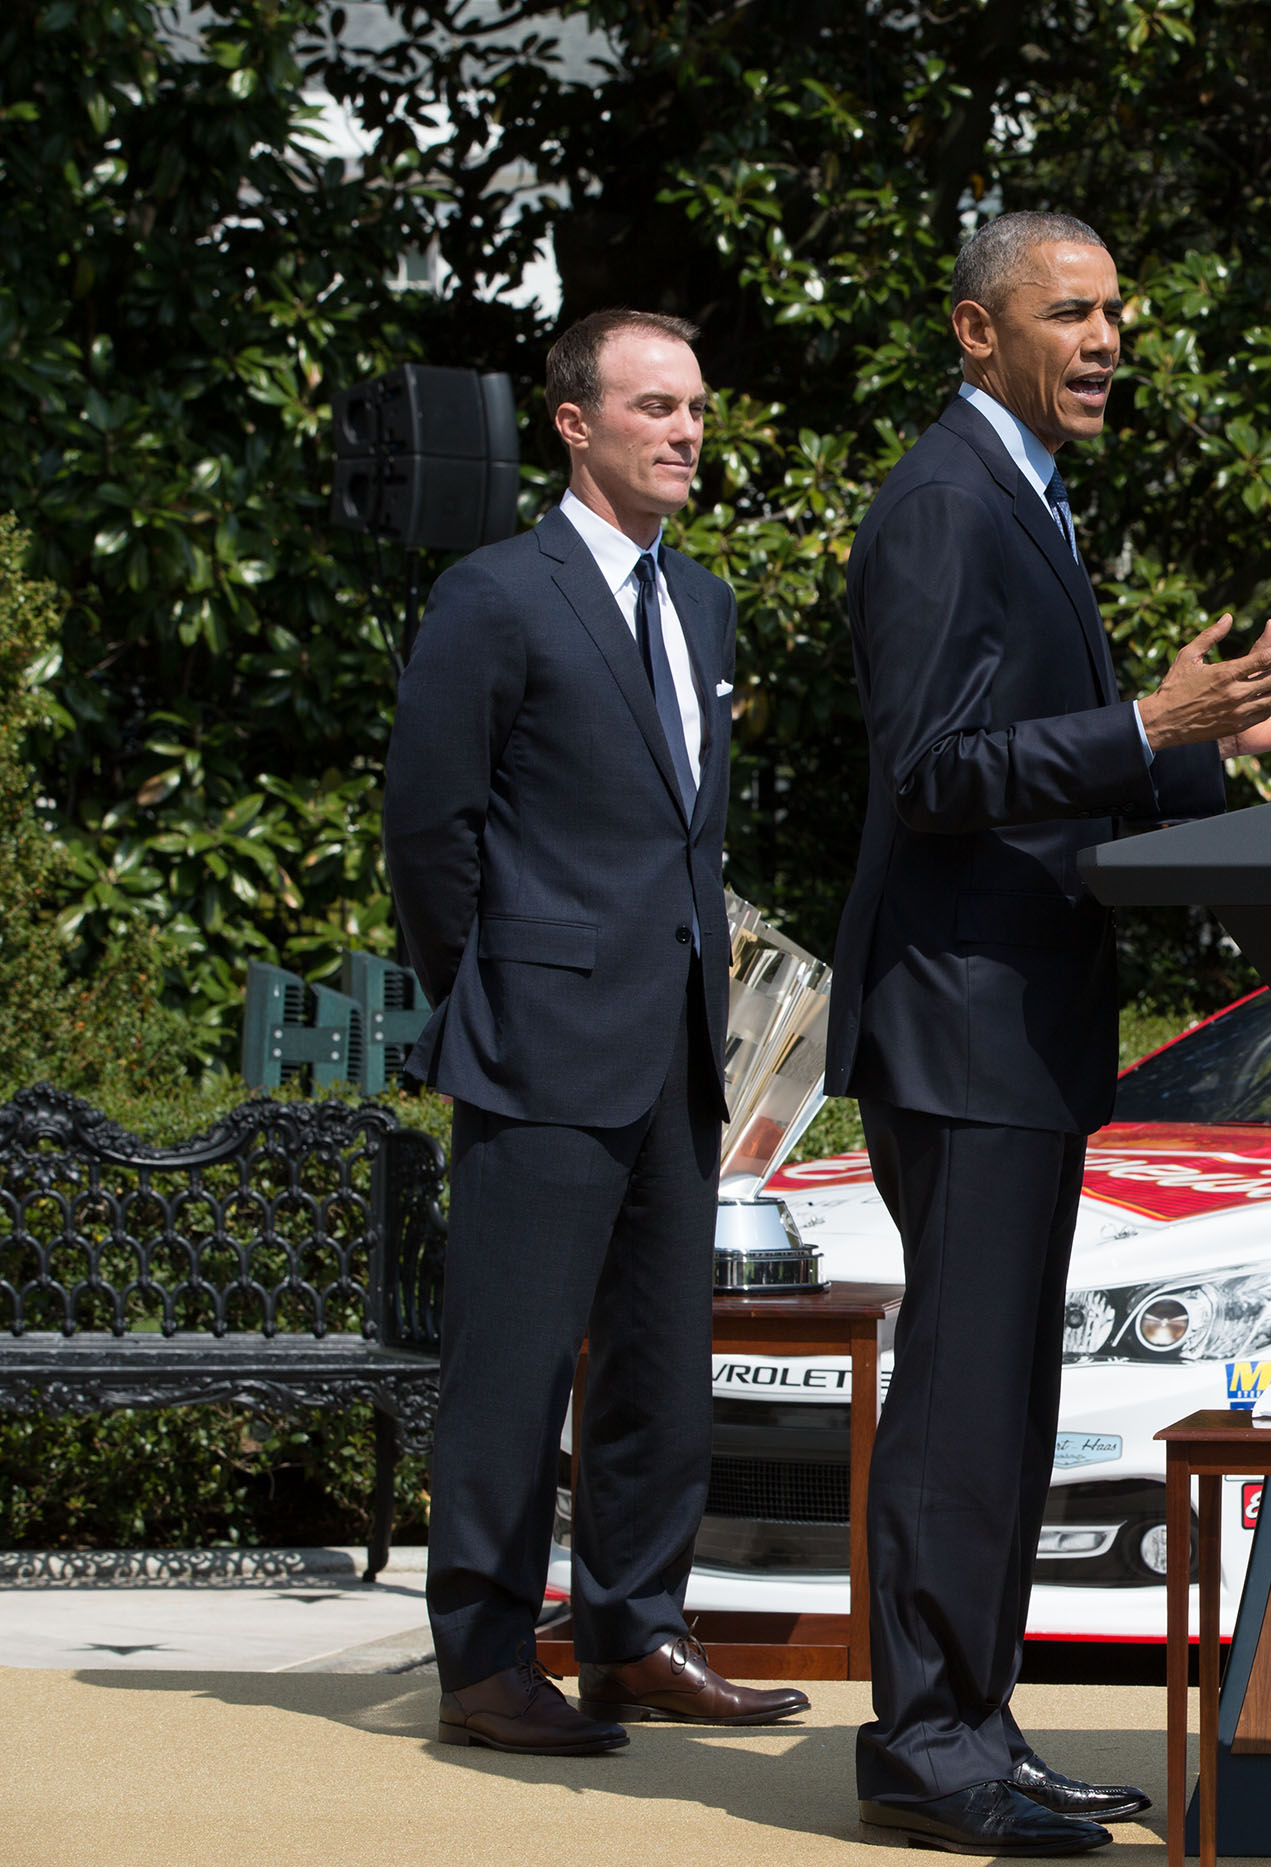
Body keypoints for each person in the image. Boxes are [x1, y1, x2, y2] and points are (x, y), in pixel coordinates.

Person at [830, 211, 1271, 1853]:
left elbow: (1058, 766)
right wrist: (1149, 721)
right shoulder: (940, 501)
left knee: (1005, 1404)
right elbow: (938, 772)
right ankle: (927, 1746)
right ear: (978, 334)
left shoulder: (1030, 502)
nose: (1109, 338)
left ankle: (979, 1725)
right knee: (964, 1404)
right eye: (1071, 312)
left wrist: (1214, 743)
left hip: (1021, 1023)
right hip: (963, 1018)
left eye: (1119, 309)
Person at [386, 307, 810, 1754]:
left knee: (657, 1371)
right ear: (575, 422)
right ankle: (488, 1664)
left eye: (695, 407)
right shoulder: (493, 596)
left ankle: (637, 1634)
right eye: (655, 407)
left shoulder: (702, 607)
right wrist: (500, 991)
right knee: (508, 1371)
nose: (687, 431)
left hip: (678, 1053)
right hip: (538, 1048)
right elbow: (430, 830)